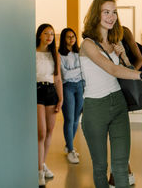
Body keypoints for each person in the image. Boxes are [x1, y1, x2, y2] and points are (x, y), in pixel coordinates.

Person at [79, 0, 142, 188]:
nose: (111, 17)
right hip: (95, 108)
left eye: (114, 12)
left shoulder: (115, 44)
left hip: (118, 104)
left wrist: (124, 57)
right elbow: (111, 70)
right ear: (96, 15)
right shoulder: (88, 44)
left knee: (121, 166)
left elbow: (124, 71)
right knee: (100, 166)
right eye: (106, 12)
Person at [108, 25, 142, 186]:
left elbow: (139, 59)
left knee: (118, 131)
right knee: (113, 132)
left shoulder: (124, 32)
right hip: (104, 88)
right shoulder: (96, 34)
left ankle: (119, 173)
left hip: (121, 87)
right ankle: (125, 171)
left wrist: (126, 76)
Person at [36, 23, 64, 186]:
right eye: (46, 33)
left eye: (52, 34)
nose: (49, 36)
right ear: (40, 35)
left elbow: (58, 78)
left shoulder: (55, 54)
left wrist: (61, 99)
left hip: (51, 92)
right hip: (36, 90)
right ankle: (39, 171)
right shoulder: (32, 52)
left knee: (50, 132)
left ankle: (42, 164)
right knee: (41, 131)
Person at [58, 28, 84, 164]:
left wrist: (74, 72)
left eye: (73, 36)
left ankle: (70, 146)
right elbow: (65, 75)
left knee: (76, 119)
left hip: (80, 86)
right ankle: (70, 150)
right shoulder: (60, 54)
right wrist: (78, 71)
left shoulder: (79, 53)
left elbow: (83, 72)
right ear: (64, 39)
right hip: (67, 87)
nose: (71, 39)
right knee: (68, 119)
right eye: (68, 37)